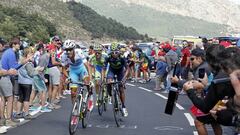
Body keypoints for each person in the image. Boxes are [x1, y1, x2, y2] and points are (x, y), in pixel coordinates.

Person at [61, 40, 92, 109]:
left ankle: (90, 97)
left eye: (70, 50)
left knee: (87, 83)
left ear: (73, 49)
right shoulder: (64, 56)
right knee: (73, 93)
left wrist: (90, 79)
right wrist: (68, 77)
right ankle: (75, 110)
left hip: (82, 69)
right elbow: (63, 69)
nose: (68, 52)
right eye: (67, 50)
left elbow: (87, 66)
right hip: (73, 71)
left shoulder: (79, 52)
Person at [104, 42, 129, 117]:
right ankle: (110, 95)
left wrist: (124, 79)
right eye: (112, 52)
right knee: (108, 82)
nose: (114, 54)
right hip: (112, 70)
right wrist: (103, 78)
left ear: (119, 51)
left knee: (121, 89)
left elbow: (128, 69)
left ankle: (124, 107)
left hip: (120, 72)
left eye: (116, 52)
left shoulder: (122, 57)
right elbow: (104, 68)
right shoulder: (108, 57)